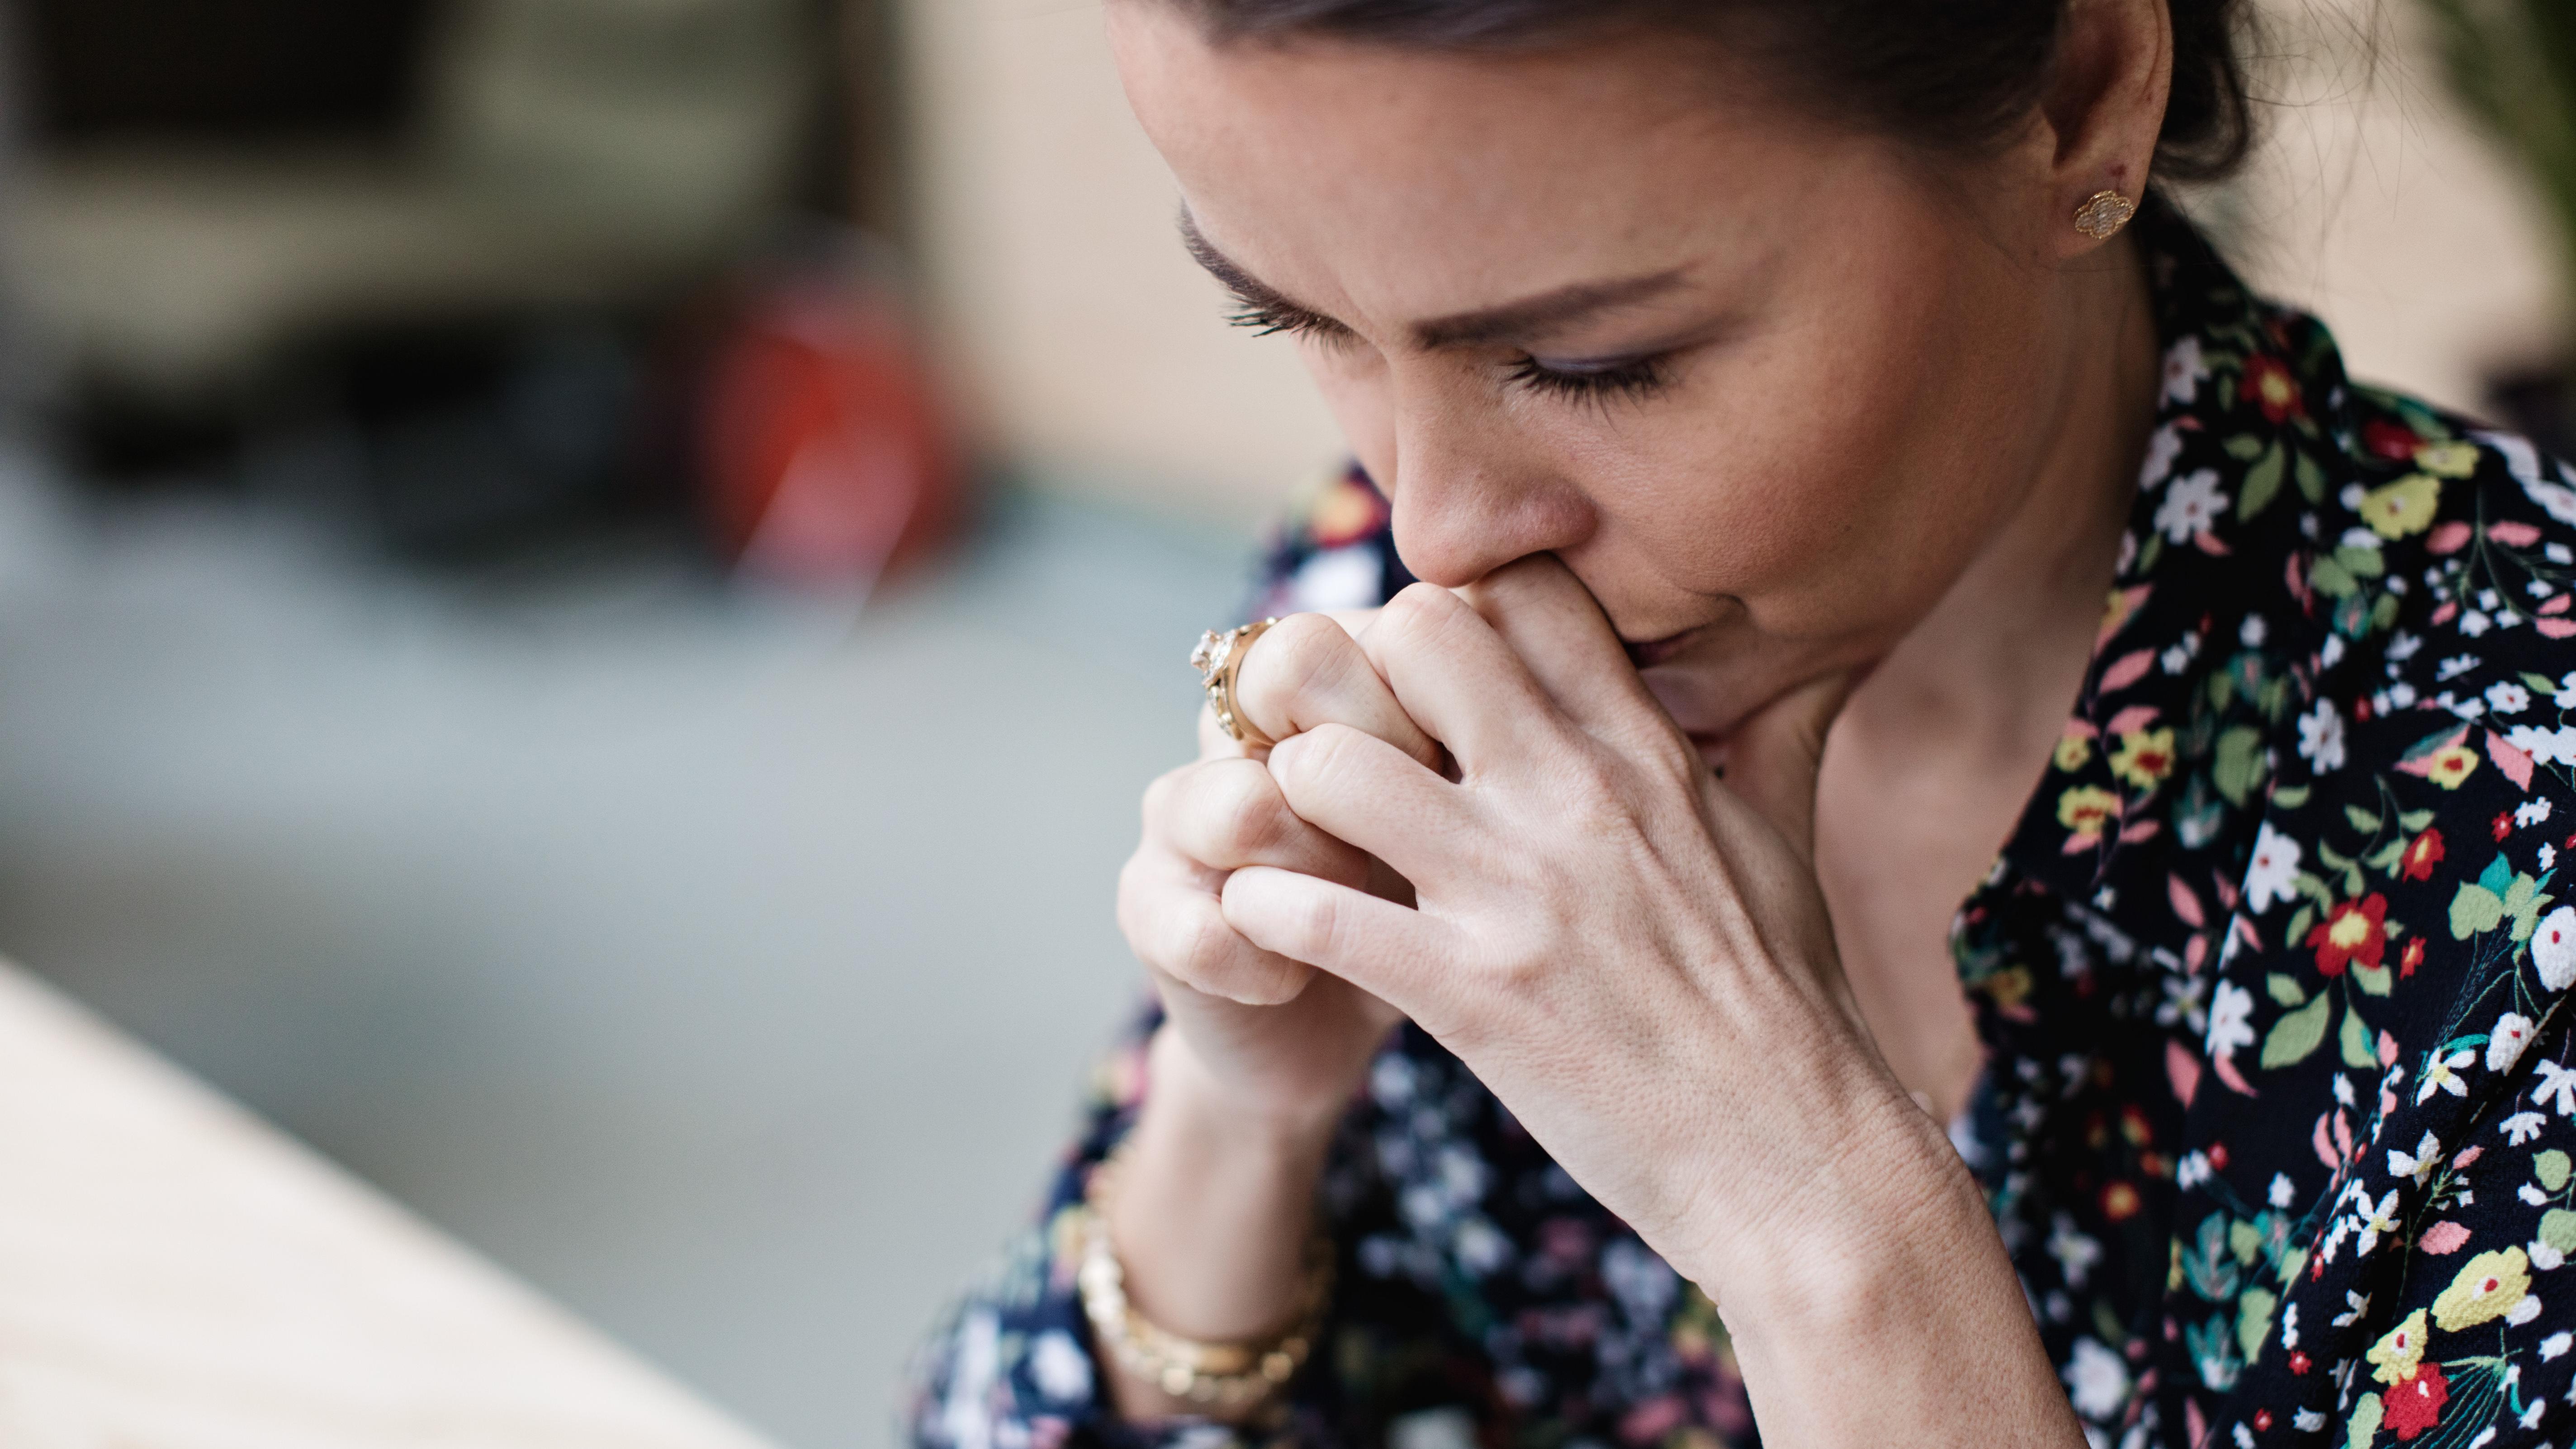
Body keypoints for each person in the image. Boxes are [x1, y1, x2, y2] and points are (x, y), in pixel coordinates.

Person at [908, 1, 2576, 1444]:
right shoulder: (1389, 595)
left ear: (2077, 94)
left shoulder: (2521, 840)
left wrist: (1814, 1212)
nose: (1435, 523)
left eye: (1591, 361)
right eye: (1299, 319)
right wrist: (1240, 1117)